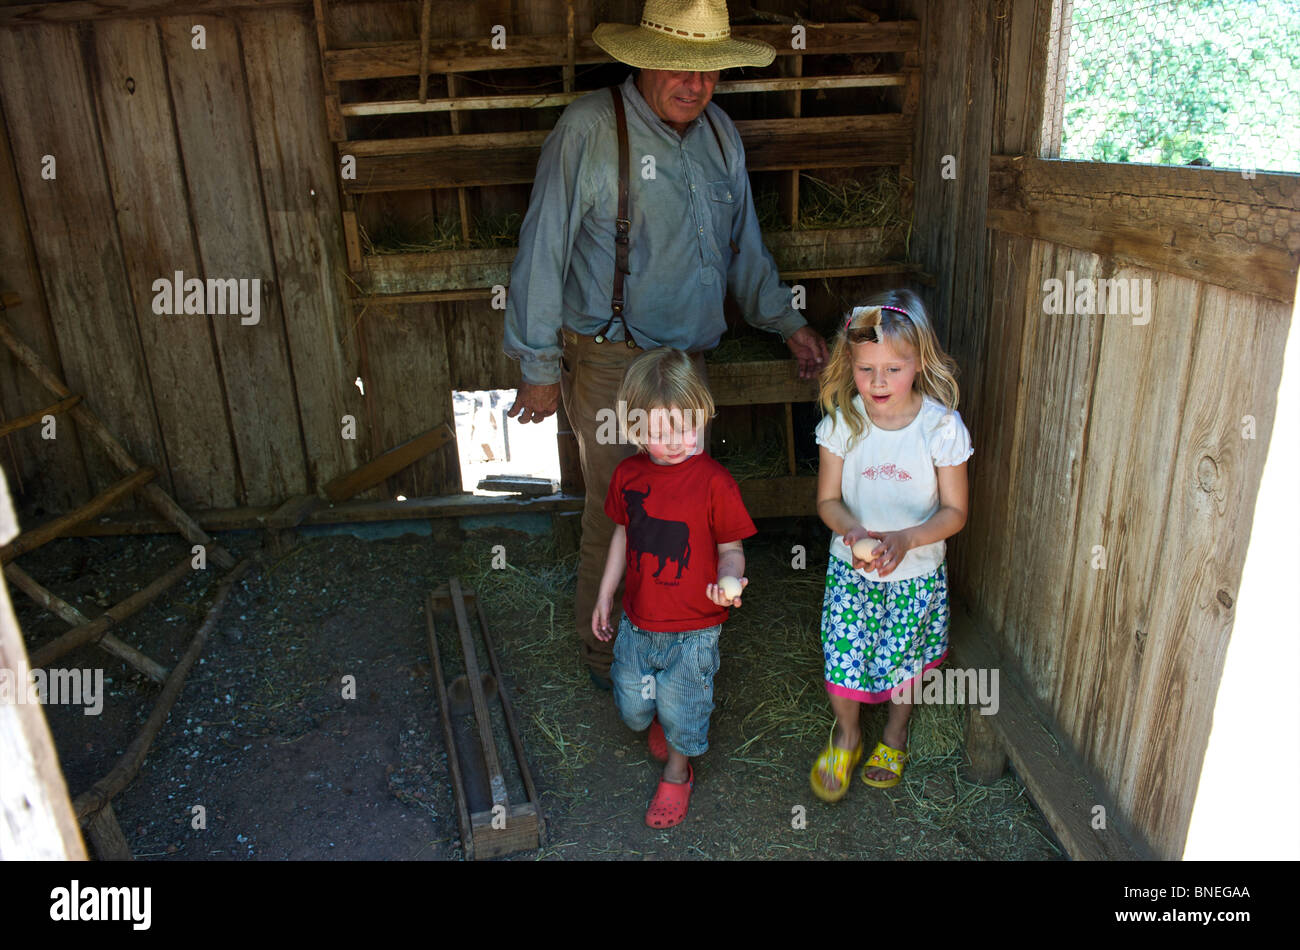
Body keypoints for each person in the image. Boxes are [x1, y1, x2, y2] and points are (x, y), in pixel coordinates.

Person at [502, 0, 828, 688]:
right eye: (680, 69)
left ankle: (677, 645)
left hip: (688, 368)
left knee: (686, 508)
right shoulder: (589, 129)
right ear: (640, 59)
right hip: (612, 360)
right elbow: (542, 251)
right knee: (619, 508)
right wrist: (537, 365)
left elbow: (744, 246)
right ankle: (605, 653)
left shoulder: (719, 136)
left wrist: (786, 321)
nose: (696, 85)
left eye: (709, 71)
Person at [807, 289, 972, 800]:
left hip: (915, 575)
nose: (878, 383)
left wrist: (905, 539)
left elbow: (955, 512)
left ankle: (895, 736)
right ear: (848, 364)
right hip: (852, 574)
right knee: (842, 659)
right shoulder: (843, 423)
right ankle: (849, 734)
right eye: (865, 369)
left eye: (894, 369)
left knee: (905, 662)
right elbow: (828, 501)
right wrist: (851, 531)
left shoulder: (940, 427)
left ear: (919, 362)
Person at [592, 348, 755, 827]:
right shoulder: (628, 476)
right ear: (634, 428)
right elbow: (624, 534)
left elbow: (731, 546)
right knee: (634, 708)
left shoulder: (715, 482)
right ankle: (659, 717)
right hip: (639, 622)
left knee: (684, 706)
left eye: (687, 427)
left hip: (696, 629)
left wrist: (729, 578)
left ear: (702, 415)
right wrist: (606, 593)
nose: (676, 442)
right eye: (659, 433)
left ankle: (678, 772)